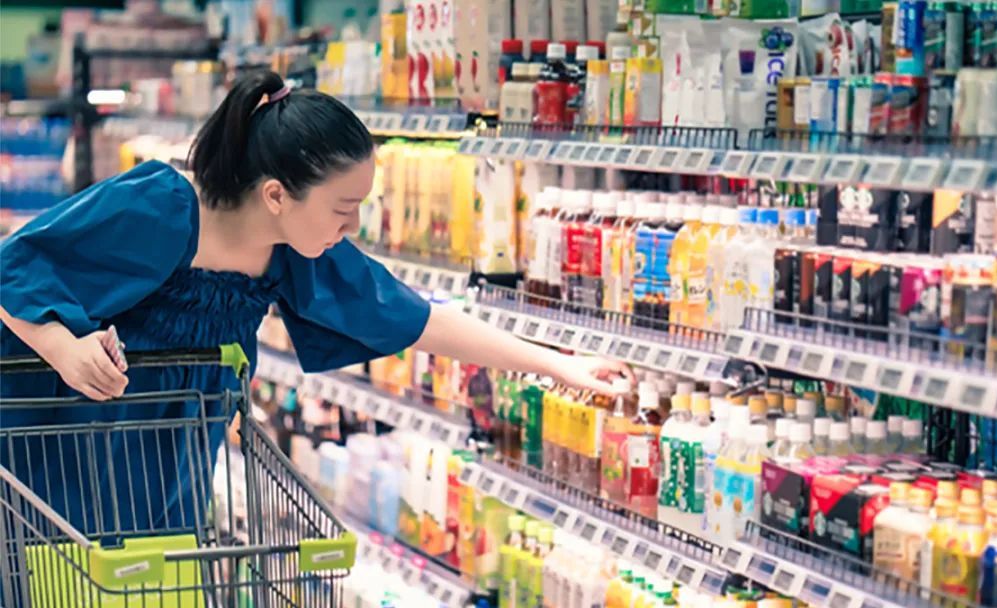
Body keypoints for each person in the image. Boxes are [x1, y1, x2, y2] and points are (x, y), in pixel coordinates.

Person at [0, 70, 631, 536]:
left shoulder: (293, 248)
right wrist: (65, 346)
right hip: (61, 452)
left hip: (167, 467)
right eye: (342, 208)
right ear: (276, 194)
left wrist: (556, 363)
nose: (352, 226)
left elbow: (410, 316)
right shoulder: (163, 207)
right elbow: (16, 266)